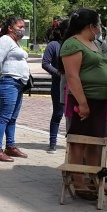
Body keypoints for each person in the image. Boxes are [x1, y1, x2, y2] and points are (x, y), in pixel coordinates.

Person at [60, 9, 107, 198]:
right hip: (84, 100)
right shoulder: (72, 44)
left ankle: (94, 179)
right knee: (79, 142)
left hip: (99, 101)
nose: (99, 28)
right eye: (98, 25)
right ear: (90, 26)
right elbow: (72, 76)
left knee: (96, 142)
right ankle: (79, 182)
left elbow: (101, 65)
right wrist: (82, 103)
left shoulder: (92, 43)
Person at [0, 16, 30, 162]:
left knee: (12, 118)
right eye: (19, 27)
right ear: (10, 28)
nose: (22, 29)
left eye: (22, 26)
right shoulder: (5, 40)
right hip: (8, 82)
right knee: (4, 118)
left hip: (18, 84)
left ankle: (10, 146)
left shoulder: (15, 42)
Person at [41, 19, 67, 153]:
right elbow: (45, 63)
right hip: (58, 85)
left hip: (75, 84)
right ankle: (52, 142)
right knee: (58, 113)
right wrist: (59, 74)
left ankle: (72, 142)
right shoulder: (54, 45)